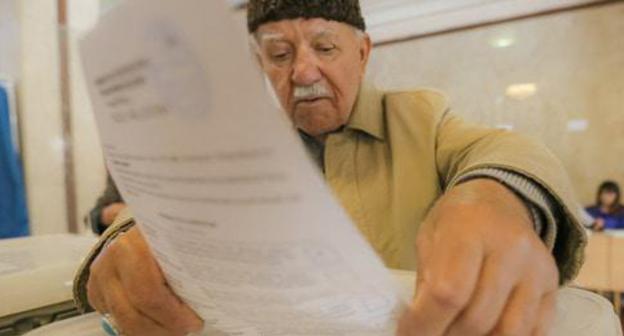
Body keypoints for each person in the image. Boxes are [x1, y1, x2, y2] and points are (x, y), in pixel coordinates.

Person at [73, 1, 587, 335]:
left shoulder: (420, 117)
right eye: (278, 54)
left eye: (324, 47)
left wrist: (492, 197)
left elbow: (506, 151)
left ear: (362, 54)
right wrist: (131, 238)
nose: (302, 71)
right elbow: (166, 202)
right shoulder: (245, 148)